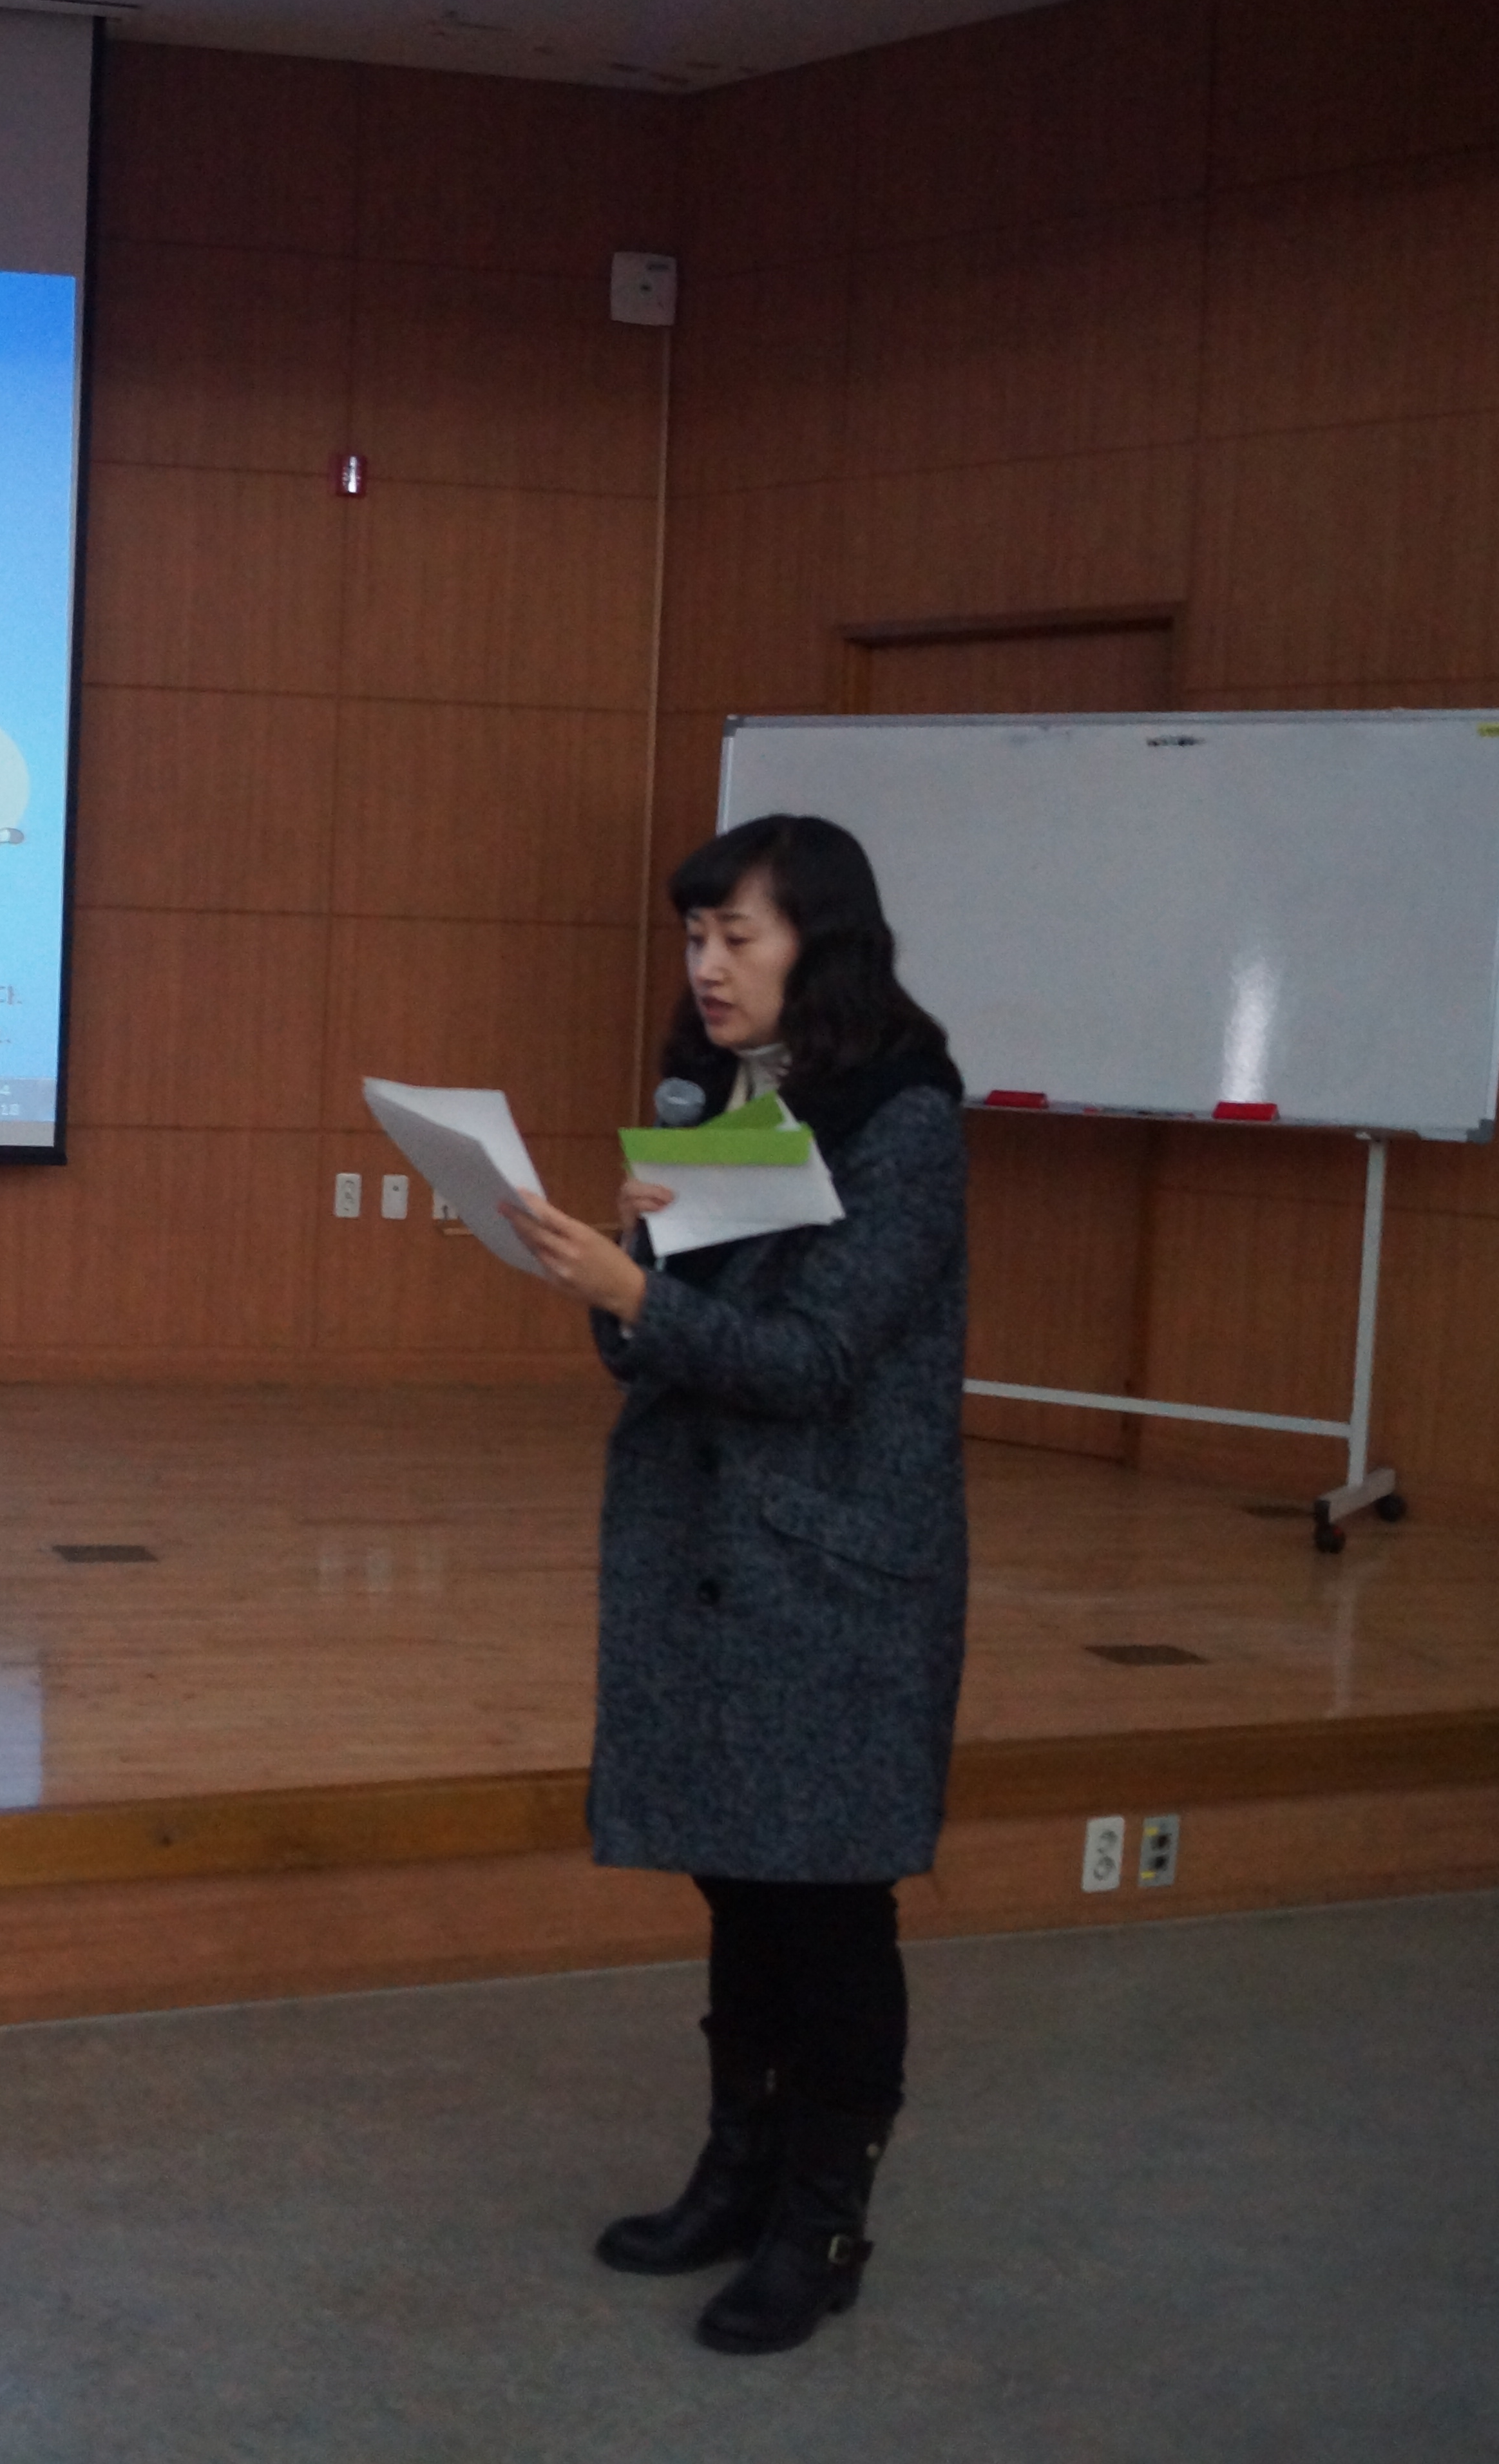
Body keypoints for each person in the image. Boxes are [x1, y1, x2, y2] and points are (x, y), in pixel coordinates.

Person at [498, 812, 968, 2358]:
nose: (705, 964)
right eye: (694, 936)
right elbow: (660, 1346)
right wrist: (616, 1280)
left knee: (825, 1904)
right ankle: (738, 2171)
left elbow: (816, 1360)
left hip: (829, 1570)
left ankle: (822, 2221)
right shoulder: (718, 1098)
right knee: (741, 1877)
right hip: (708, 1554)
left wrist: (637, 1288)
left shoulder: (902, 1118)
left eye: (736, 936)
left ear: (818, 942)